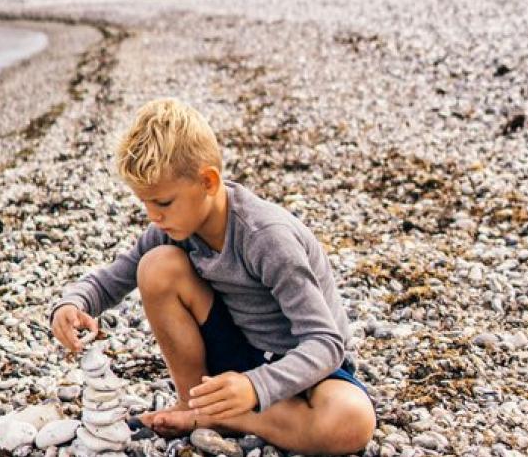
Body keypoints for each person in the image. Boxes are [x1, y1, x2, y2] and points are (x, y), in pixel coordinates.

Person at [48, 98, 376, 454]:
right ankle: (196, 403)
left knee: (350, 420)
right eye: (145, 203)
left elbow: (326, 343)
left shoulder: (266, 237)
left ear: (207, 181)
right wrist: (73, 303)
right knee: (156, 266)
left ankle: (216, 415)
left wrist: (255, 387)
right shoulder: (174, 228)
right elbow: (112, 279)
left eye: (163, 202)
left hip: (305, 369)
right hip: (235, 355)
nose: (153, 216)